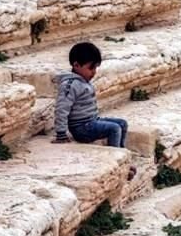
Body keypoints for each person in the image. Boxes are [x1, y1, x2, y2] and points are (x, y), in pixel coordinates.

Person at [52, 42, 136, 178]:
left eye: (95, 68)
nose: (94, 72)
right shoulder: (70, 85)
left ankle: (122, 157)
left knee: (122, 123)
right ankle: (115, 163)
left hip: (91, 121)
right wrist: (61, 133)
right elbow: (62, 108)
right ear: (76, 65)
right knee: (114, 128)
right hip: (81, 128)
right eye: (91, 68)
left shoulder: (82, 80)